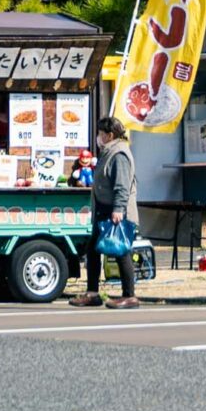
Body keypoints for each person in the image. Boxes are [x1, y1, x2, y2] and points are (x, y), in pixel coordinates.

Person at [74, 116, 140, 309]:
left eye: (101, 133)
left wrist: (118, 209)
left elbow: (122, 185)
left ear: (110, 135)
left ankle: (129, 295)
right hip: (103, 211)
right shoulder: (108, 152)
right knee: (93, 250)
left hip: (116, 212)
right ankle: (93, 293)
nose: (98, 137)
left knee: (121, 251)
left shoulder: (119, 154)